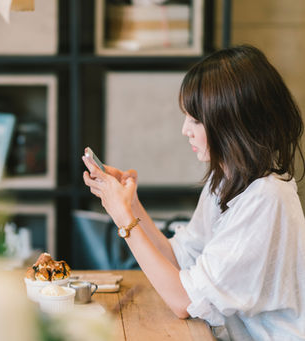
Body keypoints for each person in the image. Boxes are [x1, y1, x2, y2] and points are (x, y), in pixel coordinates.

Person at [82, 45, 305, 340]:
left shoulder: (266, 198)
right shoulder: (227, 179)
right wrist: (132, 204)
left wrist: (123, 217)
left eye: (196, 120)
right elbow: (180, 259)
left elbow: (184, 302)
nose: (185, 130)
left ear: (231, 124)